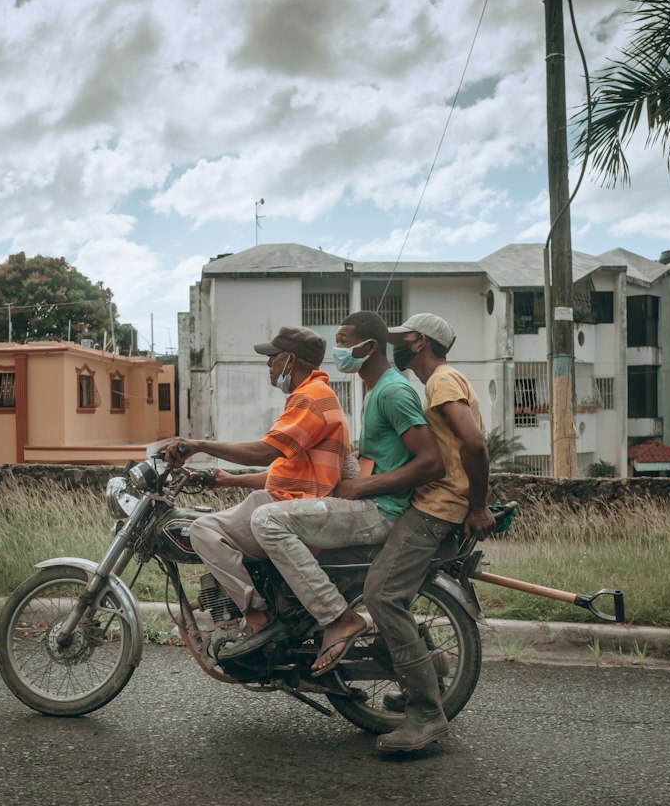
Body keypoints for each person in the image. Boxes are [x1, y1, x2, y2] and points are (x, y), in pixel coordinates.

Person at [243, 311, 445, 673]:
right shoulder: (374, 390)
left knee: (267, 521)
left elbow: (431, 462)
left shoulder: (393, 392)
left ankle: (337, 618)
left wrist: (364, 486)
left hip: (380, 510)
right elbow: (376, 458)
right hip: (369, 502)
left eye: (342, 341)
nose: (337, 350)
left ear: (368, 347)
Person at [164, 326, 353, 648]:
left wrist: (197, 445)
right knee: (223, 520)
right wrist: (225, 480)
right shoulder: (313, 395)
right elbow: (288, 470)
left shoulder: (312, 398)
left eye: (272, 358)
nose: (268, 365)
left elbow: (266, 452)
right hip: (286, 500)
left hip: (291, 510)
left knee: (202, 531)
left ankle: (254, 613)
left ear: (290, 360)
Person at [364, 311, 494, 758]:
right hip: (437, 503)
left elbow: (474, 444)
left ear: (418, 342)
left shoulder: (440, 381)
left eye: (401, 339)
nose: (395, 346)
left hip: (437, 508)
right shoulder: (438, 383)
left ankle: (425, 712)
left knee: (381, 594)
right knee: (394, 590)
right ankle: (423, 684)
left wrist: (476, 505)